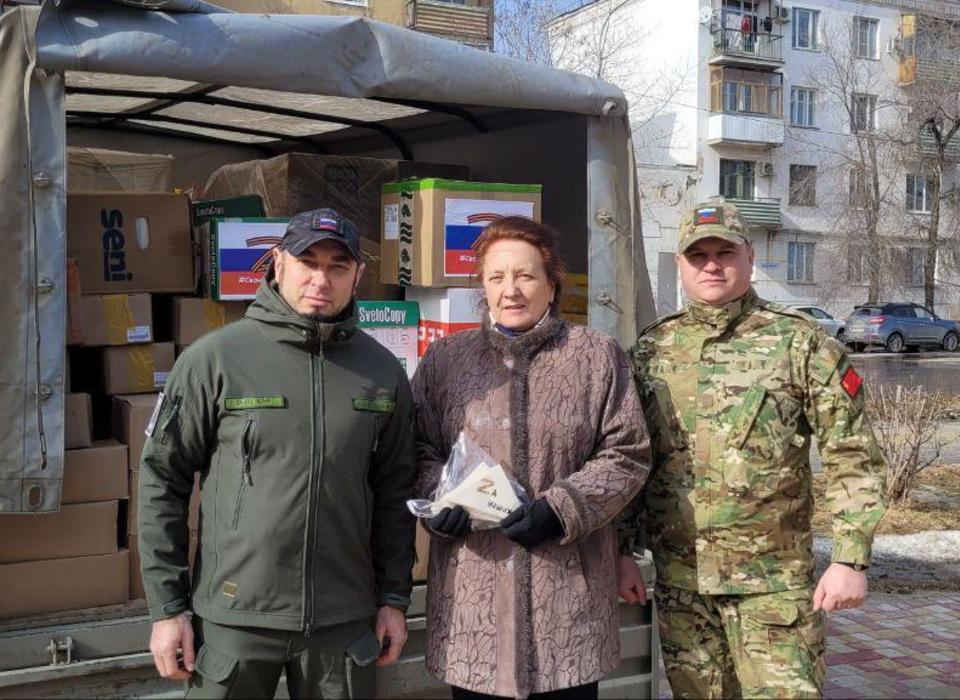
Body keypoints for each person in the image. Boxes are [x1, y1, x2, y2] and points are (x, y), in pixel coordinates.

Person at [138, 208, 417, 698]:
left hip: (343, 620)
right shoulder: (214, 359)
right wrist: (167, 608)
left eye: (337, 266)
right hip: (235, 617)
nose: (320, 278)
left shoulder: (381, 370)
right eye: (307, 261)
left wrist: (394, 596)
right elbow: (163, 480)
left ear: (358, 275)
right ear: (277, 262)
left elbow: (396, 488)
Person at [627, 200, 887, 699]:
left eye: (724, 251)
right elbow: (630, 456)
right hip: (684, 586)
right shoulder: (653, 349)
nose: (711, 264)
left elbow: (852, 453)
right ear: (680, 264)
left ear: (749, 256)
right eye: (697, 254)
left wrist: (851, 559)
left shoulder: (800, 342)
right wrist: (621, 550)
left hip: (772, 588)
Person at [411, 216, 651, 700]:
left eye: (525, 276)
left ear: (551, 282)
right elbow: (416, 447)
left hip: (565, 601)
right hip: (474, 605)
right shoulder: (445, 360)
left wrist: (560, 508)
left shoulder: (596, 356)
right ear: (482, 286)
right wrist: (442, 500)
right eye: (496, 277)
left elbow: (627, 453)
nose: (511, 291)